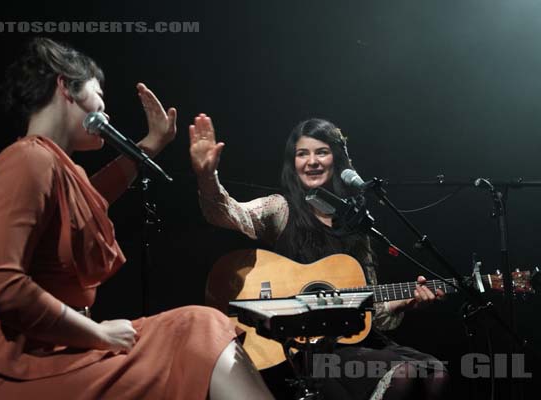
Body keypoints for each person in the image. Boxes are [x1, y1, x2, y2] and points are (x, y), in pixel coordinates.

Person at [0, 38, 274, 400]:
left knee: (199, 326)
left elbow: (90, 201)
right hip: (6, 366)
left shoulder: (56, 167)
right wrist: (96, 334)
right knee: (198, 326)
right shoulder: (27, 159)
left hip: (48, 350)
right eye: (98, 93)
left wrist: (152, 143)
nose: (106, 108)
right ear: (65, 88)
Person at [189, 114, 450, 399]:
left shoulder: (356, 227)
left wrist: (405, 302)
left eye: (321, 152)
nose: (312, 161)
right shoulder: (280, 209)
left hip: (355, 346)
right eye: (303, 154)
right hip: (306, 350)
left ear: (336, 159)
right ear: (294, 163)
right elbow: (228, 213)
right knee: (405, 374)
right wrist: (207, 176)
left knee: (434, 372)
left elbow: (368, 313)